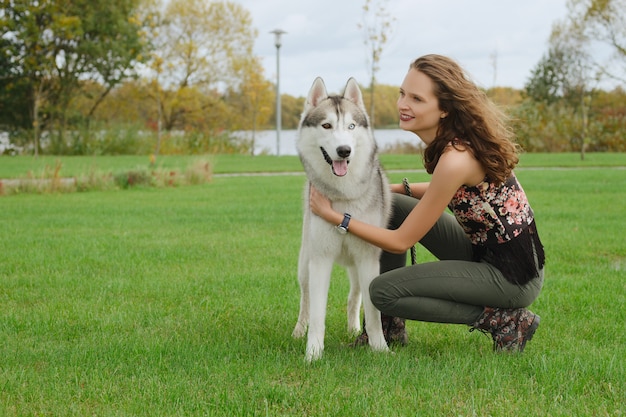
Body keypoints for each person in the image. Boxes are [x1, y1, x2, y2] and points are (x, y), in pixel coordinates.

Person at [309, 54, 545, 353]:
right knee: (391, 204)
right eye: (402, 94)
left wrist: (336, 217)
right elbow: (444, 191)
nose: (403, 104)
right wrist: (378, 189)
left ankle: (505, 320)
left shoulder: (455, 159)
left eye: (417, 99)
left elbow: (400, 242)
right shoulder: (455, 143)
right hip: (489, 251)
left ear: (444, 109)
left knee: (382, 291)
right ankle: (388, 329)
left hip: (512, 277)